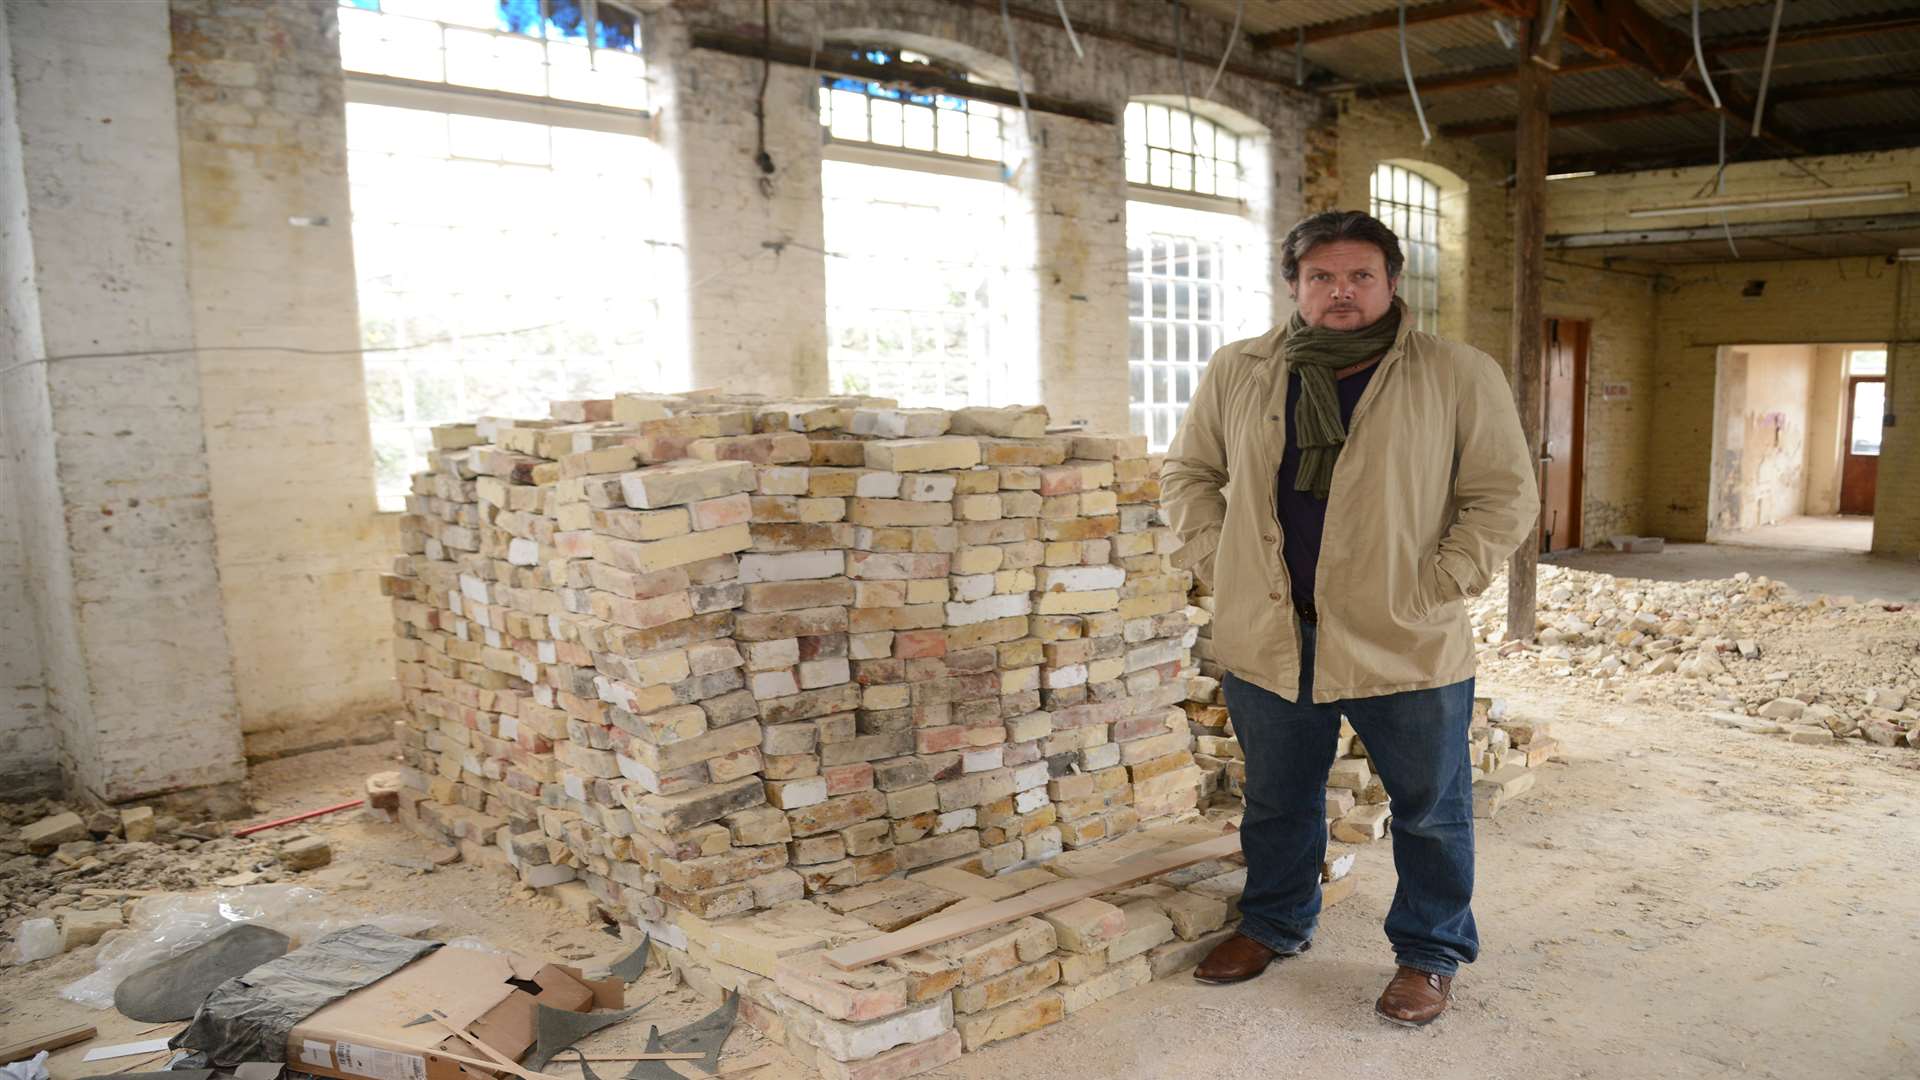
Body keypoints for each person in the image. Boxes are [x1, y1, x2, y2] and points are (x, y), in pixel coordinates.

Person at [1159, 209, 1539, 1026]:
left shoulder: (1455, 372)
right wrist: (1213, 560)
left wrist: (1443, 581)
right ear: (1294, 286)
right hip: (1273, 631)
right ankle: (1274, 923)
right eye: (1322, 277)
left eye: (1361, 276)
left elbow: (1503, 493)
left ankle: (1430, 953)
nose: (1342, 293)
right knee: (1276, 799)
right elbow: (1189, 473)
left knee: (1431, 809)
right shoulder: (1241, 369)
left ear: (1392, 283)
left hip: (1403, 633)